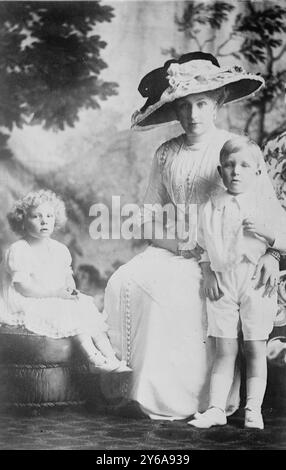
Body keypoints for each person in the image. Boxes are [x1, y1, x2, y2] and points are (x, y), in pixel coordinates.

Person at [104, 52, 284, 420]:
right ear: (174, 110)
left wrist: (272, 255)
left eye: (201, 103)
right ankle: (137, 389)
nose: (193, 115)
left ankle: (191, 399)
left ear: (217, 101)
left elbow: (269, 215)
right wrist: (177, 244)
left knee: (165, 292)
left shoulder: (236, 150)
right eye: (183, 106)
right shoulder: (166, 154)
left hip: (226, 256)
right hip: (179, 248)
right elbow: (148, 217)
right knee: (127, 280)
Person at [188, 136, 286, 430]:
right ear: (220, 172)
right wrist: (208, 273)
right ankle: (217, 408)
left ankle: (253, 409)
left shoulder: (266, 205)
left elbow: (283, 241)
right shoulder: (210, 207)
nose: (236, 171)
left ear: (258, 172)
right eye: (229, 165)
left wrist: (268, 236)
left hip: (255, 280)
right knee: (225, 348)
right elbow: (201, 246)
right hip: (223, 280)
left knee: (255, 347)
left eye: (244, 165)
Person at [0, 189, 130, 374]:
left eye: (49, 216)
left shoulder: (59, 249)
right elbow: (23, 288)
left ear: (56, 219)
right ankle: (93, 357)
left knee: (85, 308)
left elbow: (66, 275)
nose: (44, 221)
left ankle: (111, 358)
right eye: (36, 216)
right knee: (68, 311)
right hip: (25, 299)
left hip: (53, 295)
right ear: (22, 220)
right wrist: (54, 294)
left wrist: (70, 288)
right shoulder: (19, 249)